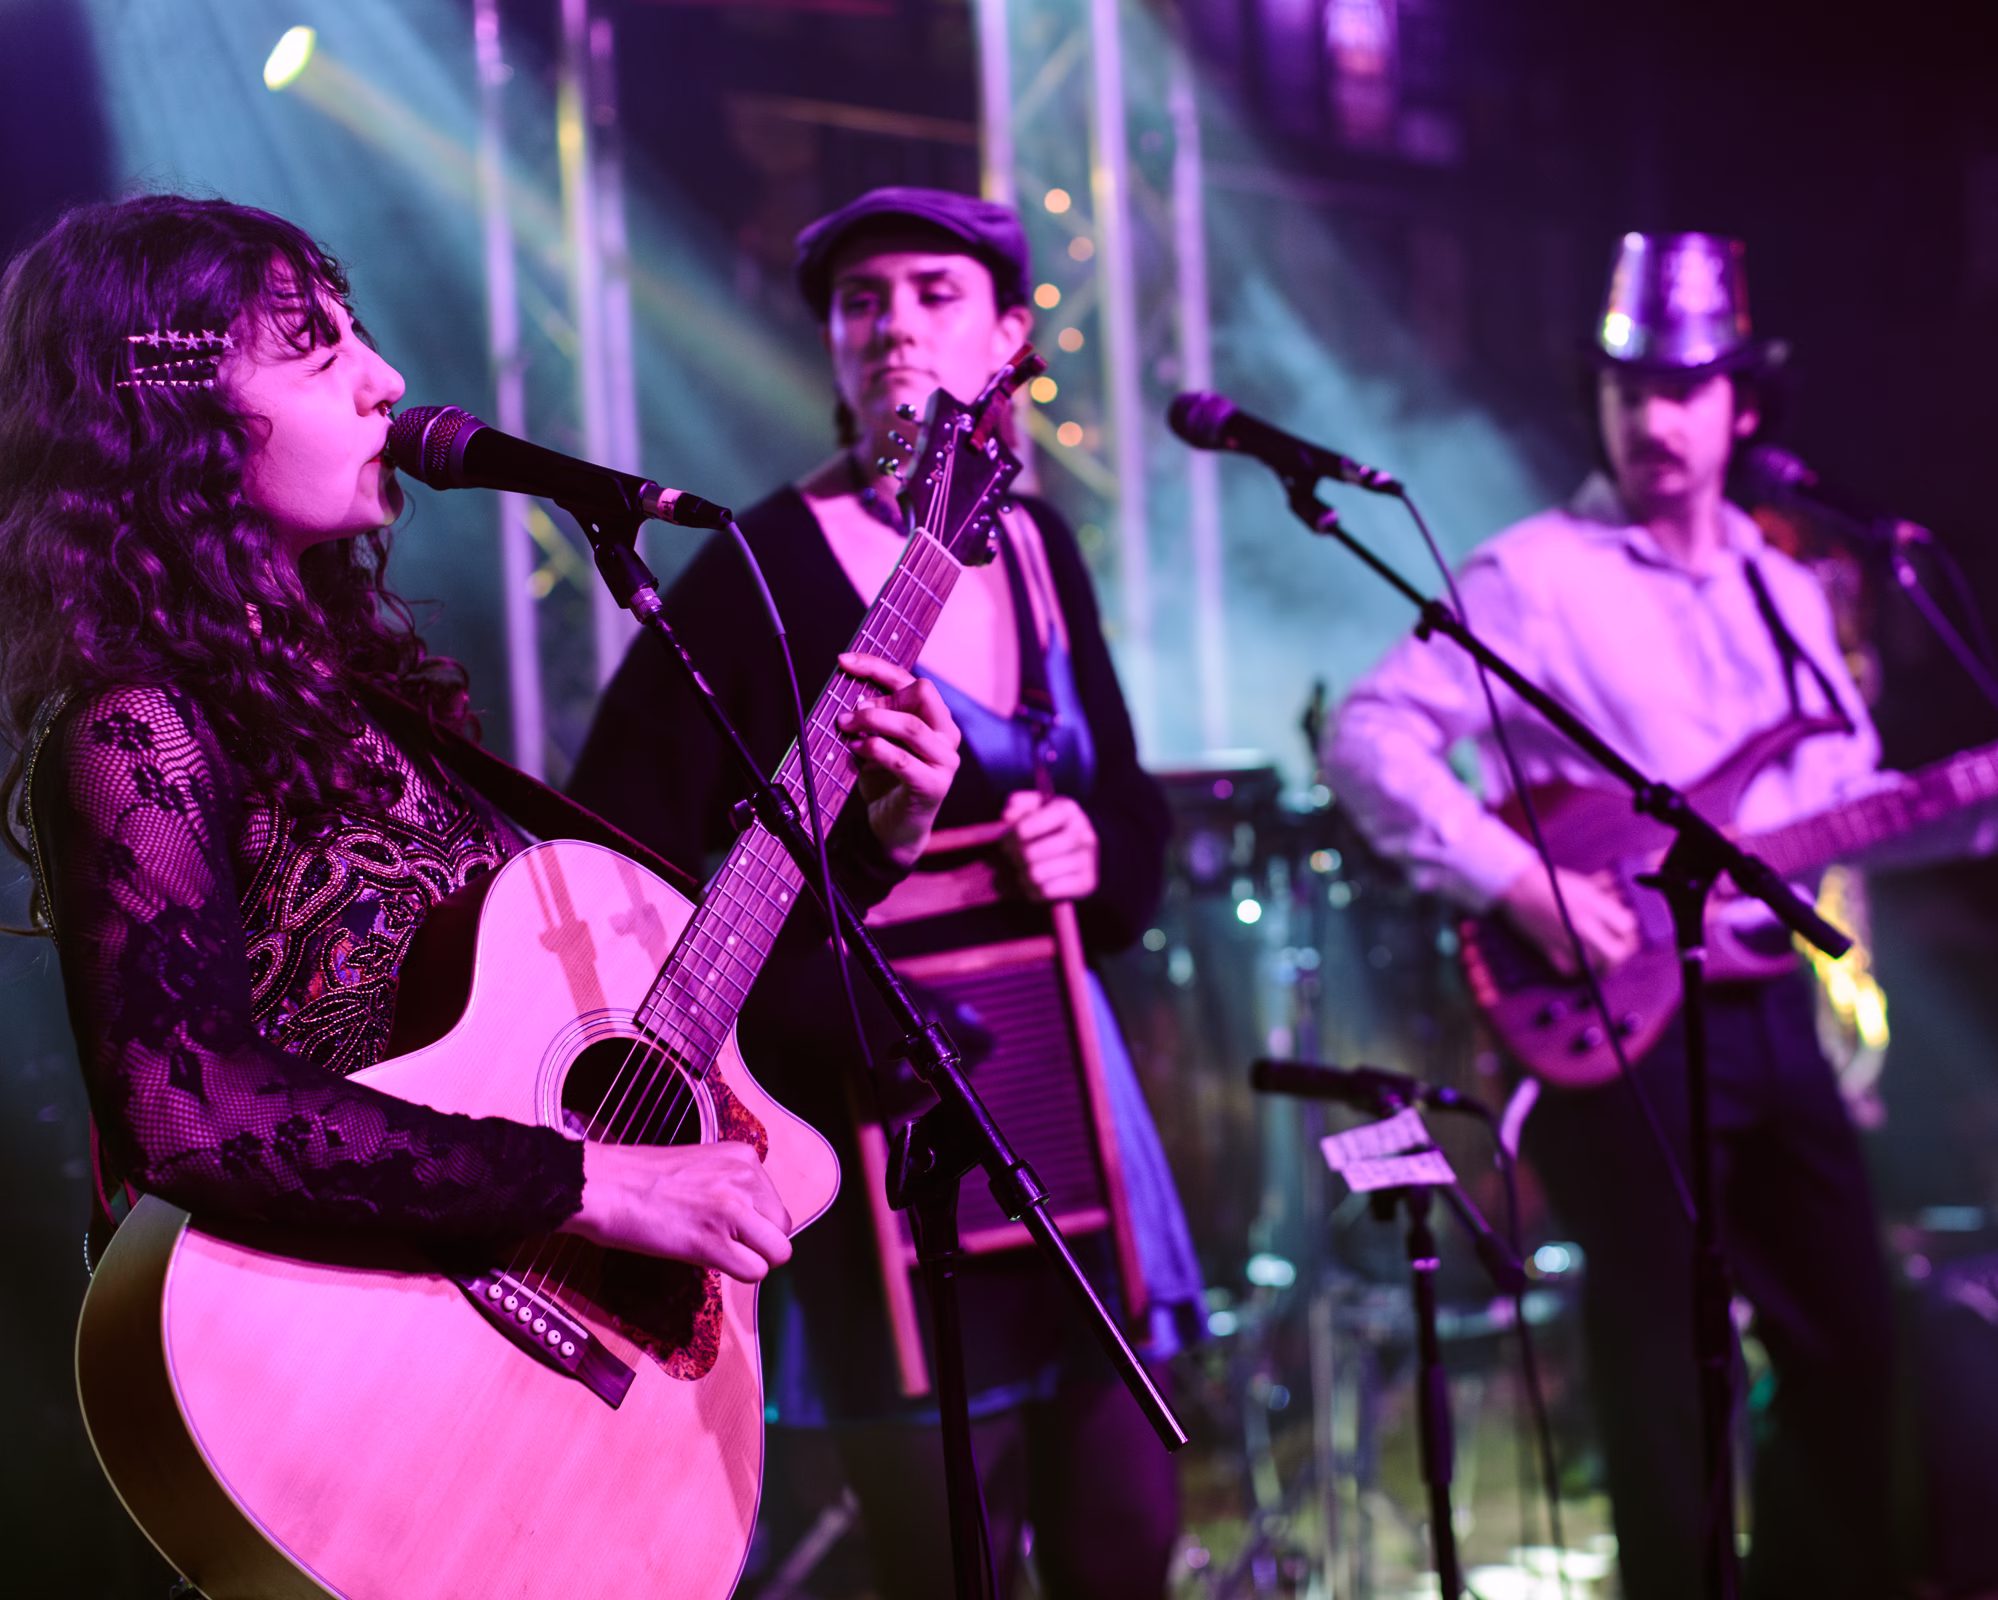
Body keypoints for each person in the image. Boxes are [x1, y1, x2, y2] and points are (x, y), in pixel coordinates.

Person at [1322, 232, 1998, 1597]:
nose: (1655, 415)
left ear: (1742, 404)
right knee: (1661, 1383)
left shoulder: (1788, 586)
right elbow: (1370, 739)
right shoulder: (1534, 575)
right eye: (1631, 385)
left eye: (1686, 386)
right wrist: (1522, 880)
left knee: (1851, 1344)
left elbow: (1860, 807)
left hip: (1768, 1012)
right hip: (1621, 1021)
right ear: (1601, 399)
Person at [0, 197, 957, 1304]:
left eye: (357, 333)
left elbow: (681, 985)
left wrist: (883, 836)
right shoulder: (138, 726)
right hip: (329, 1350)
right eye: (319, 354)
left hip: (469, 1314)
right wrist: (591, 1183)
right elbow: (190, 1104)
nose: (387, 378)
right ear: (176, 418)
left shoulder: (363, 700)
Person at [568, 186, 1198, 1597]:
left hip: (1059, 1117)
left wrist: (1097, 856)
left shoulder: (1038, 549)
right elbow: (625, 871)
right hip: (866, 1147)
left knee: (1127, 1539)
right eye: (862, 301)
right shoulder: (755, 571)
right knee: (942, 1565)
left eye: (930, 293)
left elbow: (1134, 810)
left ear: (1008, 335)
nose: (893, 327)